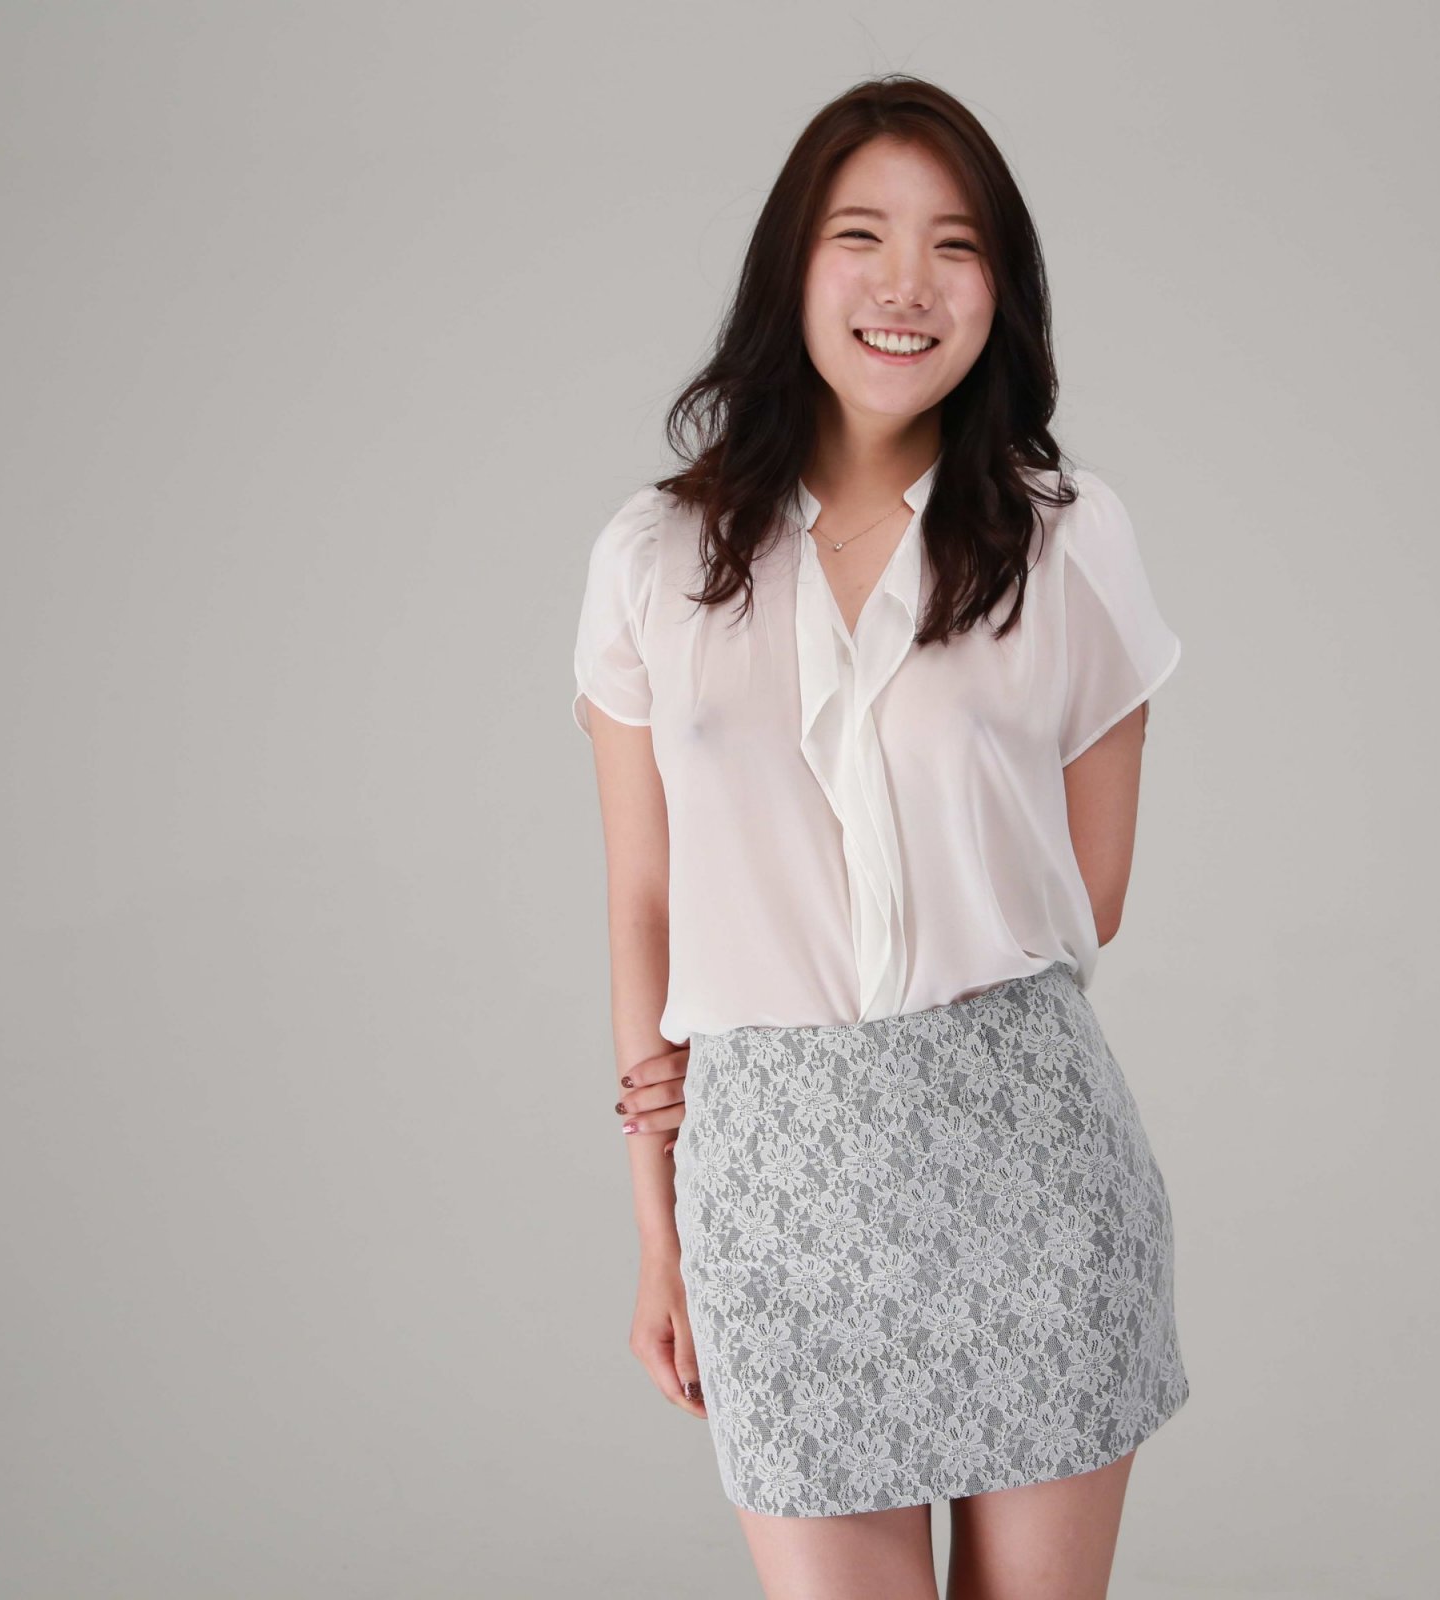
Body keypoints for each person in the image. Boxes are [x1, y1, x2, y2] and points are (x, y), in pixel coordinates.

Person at [571, 75, 1191, 1600]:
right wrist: (659, 1229)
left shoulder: (1066, 536)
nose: (907, 283)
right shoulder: (653, 559)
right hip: (772, 1179)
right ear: (793, 267)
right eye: (862, 236)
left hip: (1029, 1161)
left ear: (1001, 290)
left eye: (954, 246)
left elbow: (1089, 892)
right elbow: (643, 904)